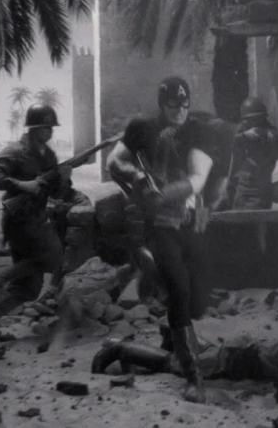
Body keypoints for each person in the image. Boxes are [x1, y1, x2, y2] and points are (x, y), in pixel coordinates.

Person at [106, 76, 216, 403]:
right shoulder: (142, 128)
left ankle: (170, 339)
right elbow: (114, 162)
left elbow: (198, 178)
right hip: (158, 226)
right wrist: (137, 177)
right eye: (173, 104)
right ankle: (193, 375)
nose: (180, 110)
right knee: (179, 290)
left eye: (185, 104)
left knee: (198, 300)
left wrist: (165, 193)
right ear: (161, 103)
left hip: (189, 221)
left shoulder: (197, 130)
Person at [0, 103, 70, 342]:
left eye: (51, 127)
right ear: (33, 128)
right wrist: (21, 184)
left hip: (36, 217)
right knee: (52, 258)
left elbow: (53, 189)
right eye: (44, 127)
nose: (49, 131)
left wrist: (64, 179)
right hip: (18, 220)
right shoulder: (15, 151)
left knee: (28, 288)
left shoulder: (48, 155)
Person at [91, 331, 278, 405]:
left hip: (240, 350)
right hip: (228, 361)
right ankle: (120, 348)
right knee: (173, 364)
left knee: (189, 354)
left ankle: (171, 335)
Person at [228, 97, 278, 210]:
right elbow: (230, 146)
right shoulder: (242, 132)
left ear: (262, 119)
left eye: (255, 119)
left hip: (261, 191)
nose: (249, 123)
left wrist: (272, 140)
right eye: (247, 120)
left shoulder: (270, 133)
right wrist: (244, 136)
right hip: (242, 189)